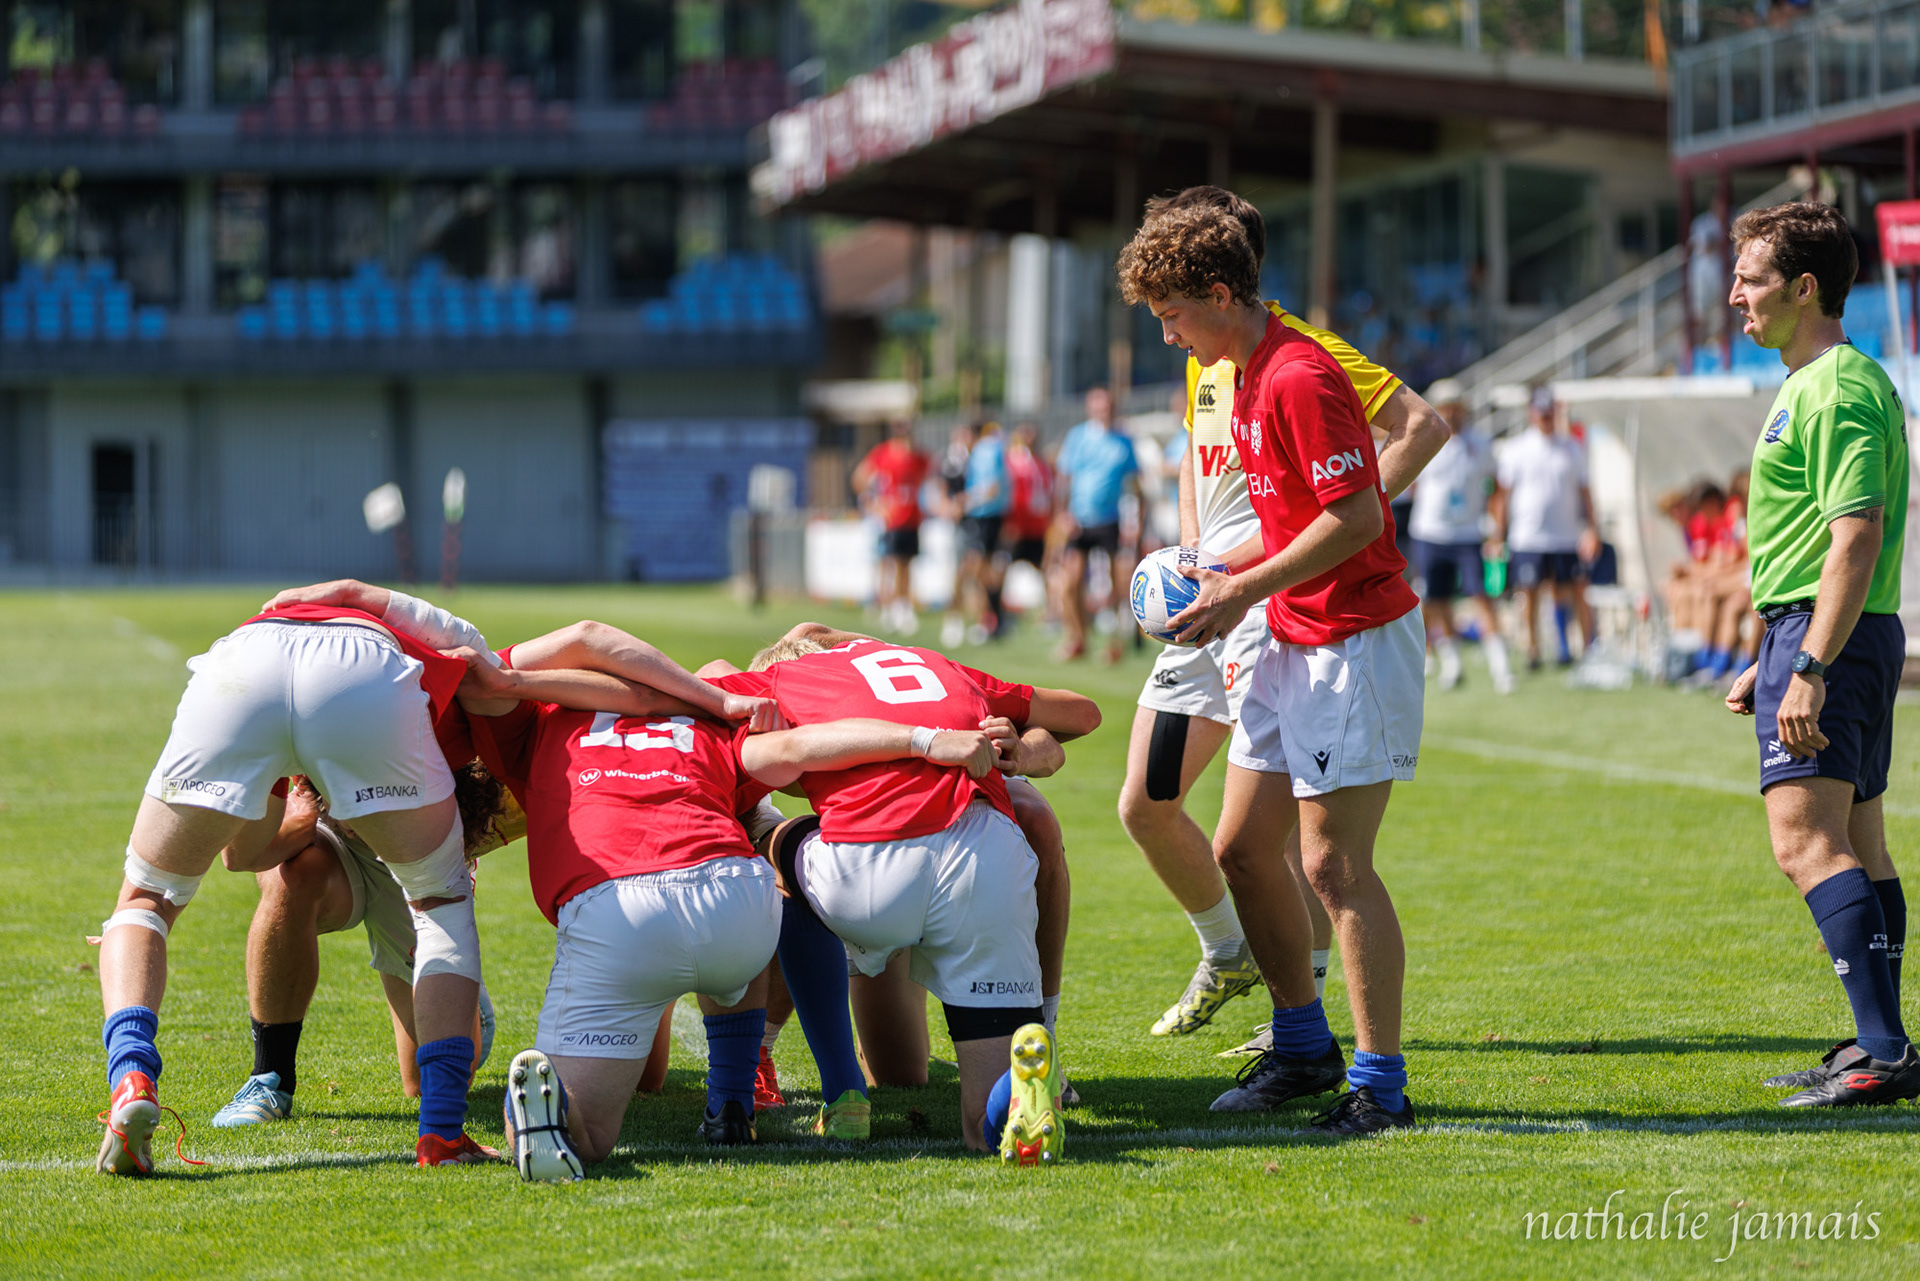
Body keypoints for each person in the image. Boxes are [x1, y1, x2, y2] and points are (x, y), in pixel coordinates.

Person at [1118, 190, 1446, 1136]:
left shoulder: (1298, 372)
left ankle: (1380, 1086)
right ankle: (1302, 1047)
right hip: (1285, 632)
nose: (1172, 338)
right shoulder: (1241, 367)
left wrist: (1240, 586)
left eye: (1174, 317)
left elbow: (1357, 519)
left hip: (1351, 638)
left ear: (1220, 293)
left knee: (1335, 865)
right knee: (1239, 850)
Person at [454, 631, 1000, 1179]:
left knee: (590, 1134)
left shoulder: (538, 717)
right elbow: (794, 750)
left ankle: (554, 1119)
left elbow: (544, 656)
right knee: (769, 869)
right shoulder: (712, 714)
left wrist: (515, 679)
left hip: (619, 910)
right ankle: (734, 1098)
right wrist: (924, 741)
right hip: (734, 897)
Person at [96, 582, 511, 1174]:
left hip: (241, 667)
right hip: (364, 681)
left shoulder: (270, 627)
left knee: (147, 898)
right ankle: (442, 1135)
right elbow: (509, 670)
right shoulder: (445, 634)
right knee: (441, 903)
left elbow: (239, 853)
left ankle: (132, 1078)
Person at [710, 635, 1101, 1151]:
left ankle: (835, 1086)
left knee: (767, 838)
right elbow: (1085, 714)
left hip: (867, 869)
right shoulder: (939, 668)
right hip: (983, 860)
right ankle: (1012, 1102)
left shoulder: (782, 683)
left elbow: (696, 681)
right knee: (928, 1087)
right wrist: (1027, 747)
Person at [1720, 200, 1916, 1105]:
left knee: (1806, 845)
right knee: (1860, 842)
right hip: (1829, 632)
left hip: (1831, 637)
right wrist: (1774, 654)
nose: (1734, 297)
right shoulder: (1818, 382)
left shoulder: (1835, 385)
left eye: (1752, 280)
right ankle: (1885, 1042)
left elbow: (1856, 534)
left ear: (1805, 288)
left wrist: (1808, 662)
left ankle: (1884, 1051)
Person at [207, 763, 518, 1126]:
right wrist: (294, 822)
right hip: (332, 823)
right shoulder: (296, 715)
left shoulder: (478, 759)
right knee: (292, 874)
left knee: (426, 1080)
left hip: (415, 838)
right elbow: (237, 854)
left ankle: (466, 996)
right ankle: (269, 1079)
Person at [1407, 378, 1512, 694]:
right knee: (1436, 601)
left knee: (1482, 596)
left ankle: (1501, 666)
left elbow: (1496, 488)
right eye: (1445, 405)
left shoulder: (1480, 444)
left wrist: (1496, 530)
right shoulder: (1424, 439)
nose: (1450, 411)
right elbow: (1412, 484)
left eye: (1455, 405)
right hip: (1430, 532)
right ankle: (1452, 662)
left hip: (1467, 533)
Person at [1489, 387, 1600, 669]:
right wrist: (1497, 534)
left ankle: (1574, 646)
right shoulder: (1516, 448)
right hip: (1528, 535)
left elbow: (1585, 493)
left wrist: (1592, 528)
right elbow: (1502, 496)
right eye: (1541, 413)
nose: (1546, 419)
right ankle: (1533, 649)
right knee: (1529, 591)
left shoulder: (1572, 448)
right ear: (1532, 414)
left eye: (1550, 413)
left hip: (1565, 534)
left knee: (1567, 590)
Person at [1053, 387, 1141, 662]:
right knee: (1071, 583)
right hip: (1079, 520)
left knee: (1117, 583)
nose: (1104, 411)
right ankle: (1079, 637)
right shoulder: (1078, 437)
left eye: (1108, 406)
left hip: (1110, 520)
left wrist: (1137, 520)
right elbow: (1064, 478)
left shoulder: (1124, 442)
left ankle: (1115, 643)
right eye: (1099, 406)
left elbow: (1134, 483)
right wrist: (1062, 513)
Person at [854, 419, 931, 636]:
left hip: (912, 517)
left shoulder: (917, 456)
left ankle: (903, 606)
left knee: (907, 564)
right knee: (891, 563)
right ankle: (891, 606)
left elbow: (931, 476)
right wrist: (874, 504)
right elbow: (860, 477)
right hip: (892, 519)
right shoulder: (884, 453)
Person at [944, 421, 1008, 648]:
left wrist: (965, 502)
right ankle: (987, 619)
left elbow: (992, 490)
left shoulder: (986, 452)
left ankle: (985, 619)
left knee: (975, 569)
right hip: (979, 518)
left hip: (983, 518)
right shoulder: (972, 455)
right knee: (978, 570)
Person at [999, 422, 1055, 634]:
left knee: (1045, 570)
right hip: (1017, 526)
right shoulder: (1012, 462)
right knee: (1002, 569)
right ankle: (997, 613)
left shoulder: (1041, 464)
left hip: (1037, 527)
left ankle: (1050, 614)